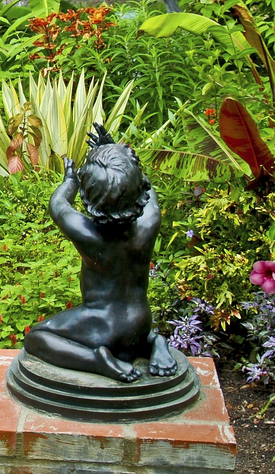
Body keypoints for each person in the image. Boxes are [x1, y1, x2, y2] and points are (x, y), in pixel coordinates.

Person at [23, 124, 177, 382]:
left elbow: (58, 203)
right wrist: (116, 152)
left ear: (87, 196)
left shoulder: (88, 235)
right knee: (137, 335)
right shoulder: (149, 223)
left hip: (103, 327)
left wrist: (71, 181)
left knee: (37, 338)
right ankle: (152, 343)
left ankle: (96, 360)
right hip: (139, 323)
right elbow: (147, 188)